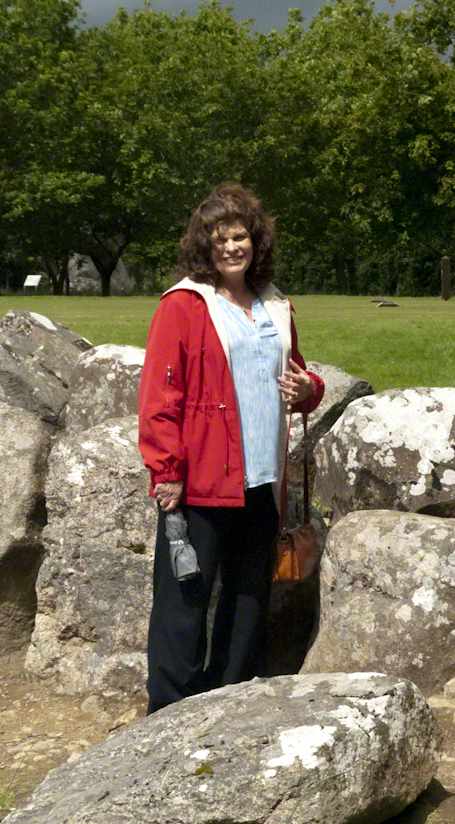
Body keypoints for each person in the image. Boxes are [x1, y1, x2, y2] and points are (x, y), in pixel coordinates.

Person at [138, 182, 324, 714]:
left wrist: (310, 389)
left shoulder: (275, 304)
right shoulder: (183, 304)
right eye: (219, 239)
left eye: (239, 236)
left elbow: (298, 377)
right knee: (184, 602)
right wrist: (165, 471)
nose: (231, 248)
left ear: (254, 241)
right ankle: (168, 712)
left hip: (263, 477)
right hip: (200, 480)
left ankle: (228, 701)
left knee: (248, 599)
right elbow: (158, 393)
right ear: (204, 245)